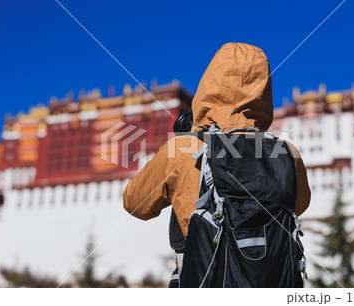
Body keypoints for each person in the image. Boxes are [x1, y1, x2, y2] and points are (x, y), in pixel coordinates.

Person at [123, 42, 311, 287]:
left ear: (209, 86)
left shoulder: (184, 149)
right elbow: (299, 206)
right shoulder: (286, 151)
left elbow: (135, 203)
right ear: (263, 91)